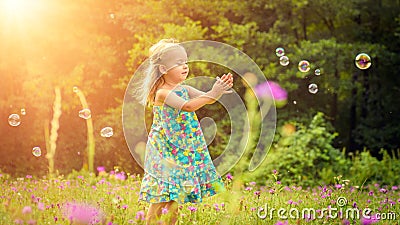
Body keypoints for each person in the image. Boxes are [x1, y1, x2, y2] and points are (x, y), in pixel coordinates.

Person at [137, 39, 233, 225]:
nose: (185, 66)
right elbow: (188, 106)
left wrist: (219, 90)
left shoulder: (184, 88)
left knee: (175, 197)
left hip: (180, 150)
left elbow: (207, 99)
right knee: (161, 196)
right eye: (178, 63)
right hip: (164, 150)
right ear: (164, 69)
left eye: (185, 62)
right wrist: (213, 93)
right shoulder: (162, 93)